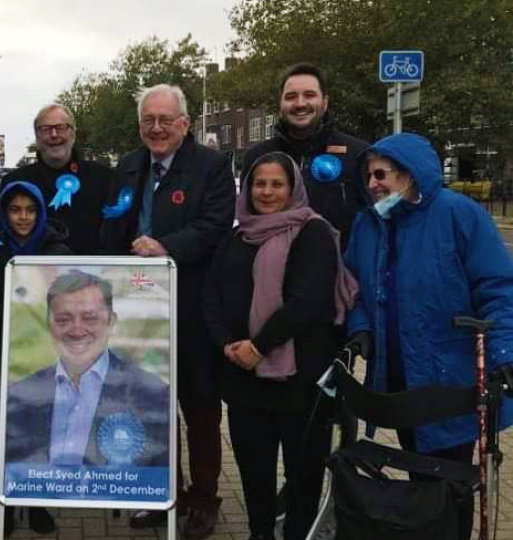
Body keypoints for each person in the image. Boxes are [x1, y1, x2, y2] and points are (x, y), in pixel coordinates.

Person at [344, 132, 513, 540]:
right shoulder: (369, 225)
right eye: (368, 177)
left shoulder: (459, 214)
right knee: (419, 473)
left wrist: (504, 351)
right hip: (399, 378)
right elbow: (353, 289)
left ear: (410, 174)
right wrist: (360, 329)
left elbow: (497, 288)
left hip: (451, 376)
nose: (373, 185)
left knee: (450, 481)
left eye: (381, 175)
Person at [101, 84, 235, 539]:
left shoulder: (212, 168)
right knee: (150, 407)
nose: (155, 129)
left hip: (193, 310)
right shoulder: (127, 166)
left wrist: (165, 247)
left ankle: (204, 498)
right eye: (147, 121)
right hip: (139, 310)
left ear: (185, 122)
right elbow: (112, 225)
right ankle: (162, 494)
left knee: (200, 410)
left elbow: (216, 225)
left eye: (164, 120)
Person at [204, 152, 357, 540]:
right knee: (253, 471)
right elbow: (212, 294)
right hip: (244, 379)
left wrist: (259, 346)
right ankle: (259, 532)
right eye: (259, 184)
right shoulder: (236, 236)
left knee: (303, 473)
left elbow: (309, 300)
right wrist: (227, 344)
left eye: (277, 184)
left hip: (301, 382)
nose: (267, 192)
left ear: (293, 188)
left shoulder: (313, 232)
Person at [5, 270, 170, 467]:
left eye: (90, 318)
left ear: (111, 322)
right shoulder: (20, 395)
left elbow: (158, 481)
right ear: (49, 324)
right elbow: (14, 473)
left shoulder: (153, 393)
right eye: (63, 319)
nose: (77, 330)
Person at [0, 180, 70, 536]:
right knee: (5, 428)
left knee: (40, 426)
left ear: (41, 212)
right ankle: (2, 500)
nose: (22, 217)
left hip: (43, 354)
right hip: (0, 353)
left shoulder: (57, 248)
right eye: (15, 210)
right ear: (4, 212)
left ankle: (35, 501)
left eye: (30, 210)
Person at [242, 62, 368, 248]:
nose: (300, 104)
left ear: (324, 102)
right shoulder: (257, 157)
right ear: (280, 104)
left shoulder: (358, 154)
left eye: (309, 95)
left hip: (339, 270)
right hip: (272, 271)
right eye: (291, 97)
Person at [1, 103, 112, 254]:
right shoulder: (14, 182)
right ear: (37, 136)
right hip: (36, 275)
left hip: (92, 273)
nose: (54, 135)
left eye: (61, 127)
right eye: (45, 129)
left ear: (73, 133)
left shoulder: (104, 178)